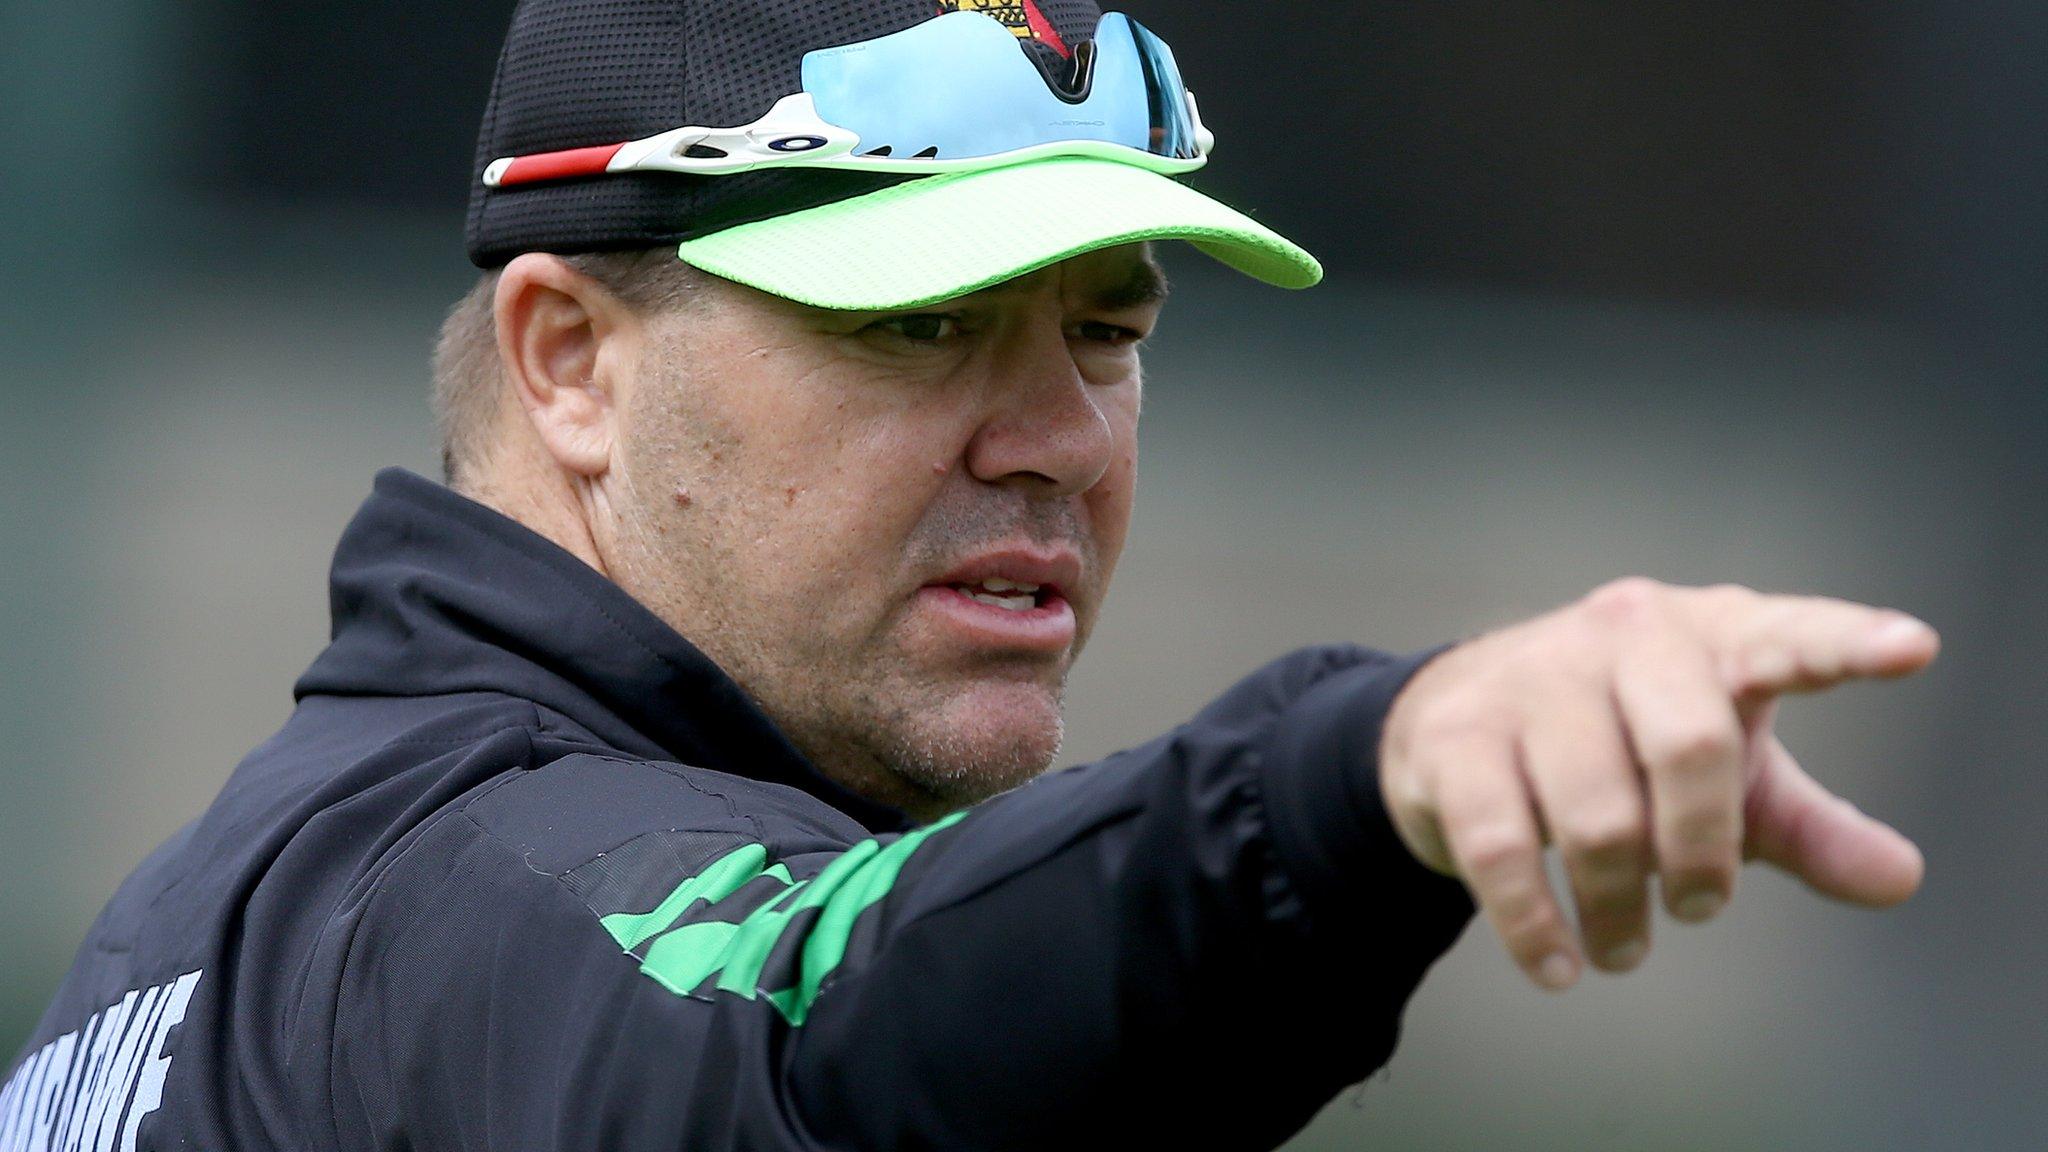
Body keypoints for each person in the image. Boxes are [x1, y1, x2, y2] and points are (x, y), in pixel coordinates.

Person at [1, 0, 1937, 1148]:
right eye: (920, 326)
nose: (1058, 438)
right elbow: (830, 1020)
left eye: (1104, 333)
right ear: (567, 363)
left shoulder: (247, 916)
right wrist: (1352, 779)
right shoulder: (467, 907)